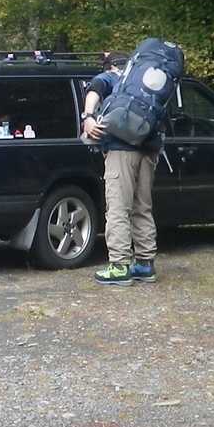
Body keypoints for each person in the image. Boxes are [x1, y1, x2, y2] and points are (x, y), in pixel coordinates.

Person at [81, 52, 161, 285]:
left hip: (120, 150)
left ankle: (118, 266)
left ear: (109, 65)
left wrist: (88, 116)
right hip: (149, 150)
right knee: (142, 207)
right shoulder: (145, 81)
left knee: (118, 208)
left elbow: (95, 88)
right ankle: (145, 264)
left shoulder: (112, 77)